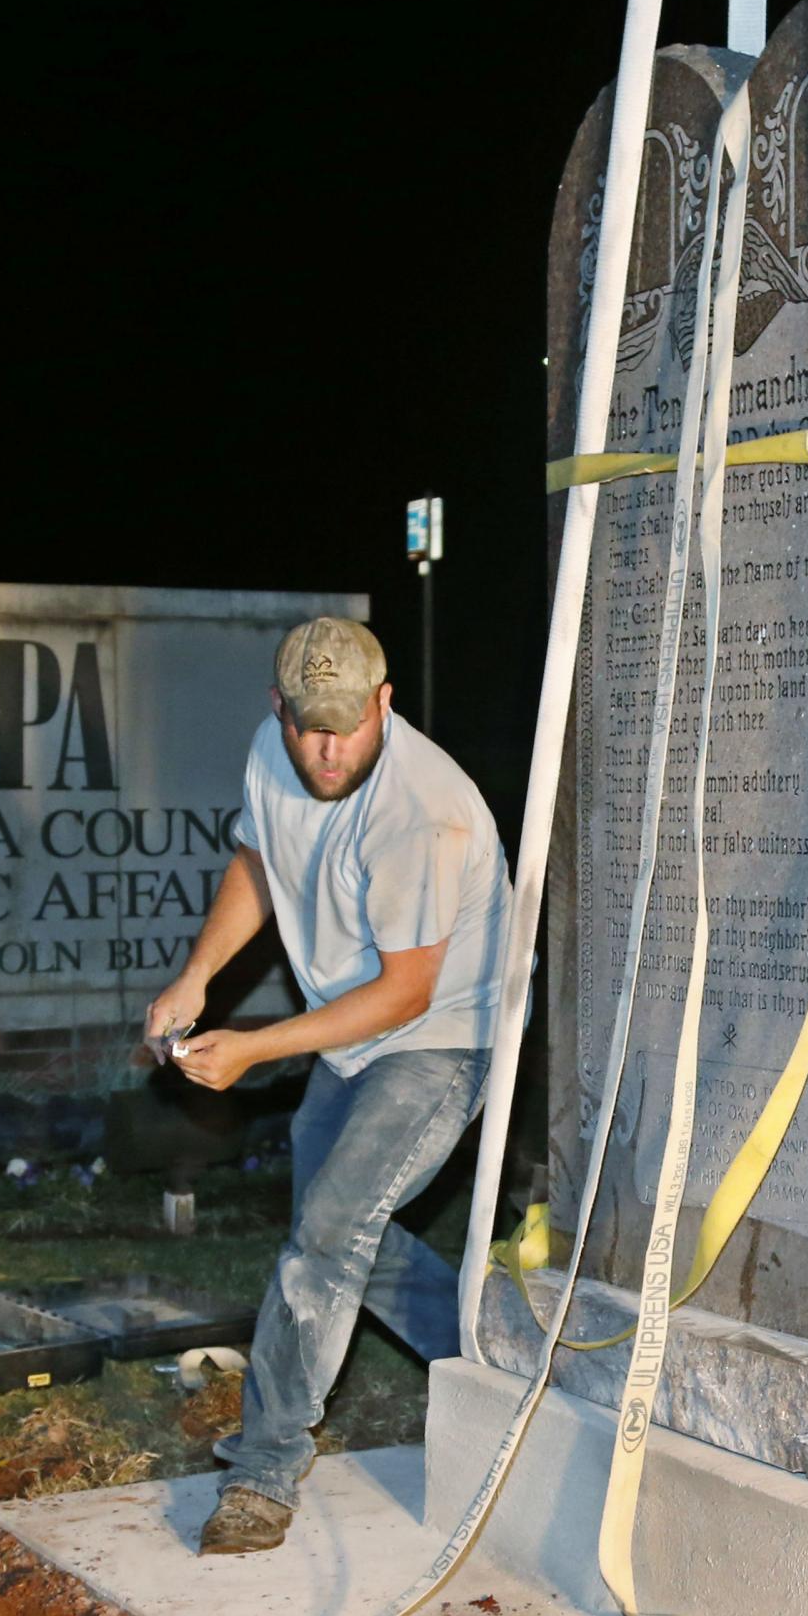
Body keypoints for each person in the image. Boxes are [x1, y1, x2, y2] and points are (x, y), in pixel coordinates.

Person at [146, 616, 510, 1554]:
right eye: (310, 724)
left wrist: (256, 1047)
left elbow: (407, 990)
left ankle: (265, 1468)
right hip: (353, 1035)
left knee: (325, 1240)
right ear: (280, 710)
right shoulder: (277, 754)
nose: (326, 747)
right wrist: (197, 978)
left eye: (346, 725)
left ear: (385, 702)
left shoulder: (421, 808)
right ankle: (498, 1365)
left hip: (439, 1036)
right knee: (346, 1233)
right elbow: (258, 862)